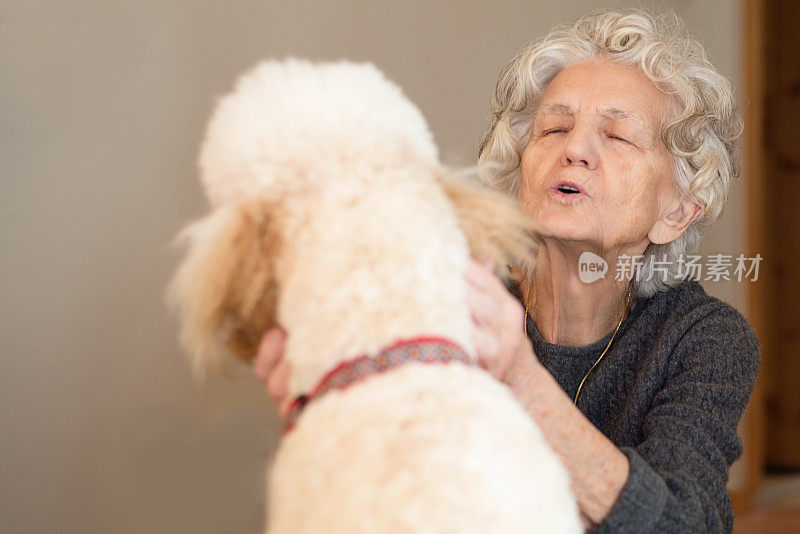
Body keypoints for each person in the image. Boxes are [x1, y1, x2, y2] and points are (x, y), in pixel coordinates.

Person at [254, 10, 759, 533]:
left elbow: (684, 522)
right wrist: (324, 419)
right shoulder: (451, 309)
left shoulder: (703, 338)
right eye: (554, 128)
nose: (575, 150)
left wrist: (518, 375)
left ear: (676, 211)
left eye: (617, 137)